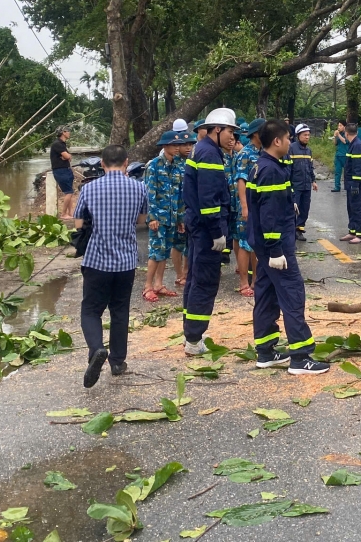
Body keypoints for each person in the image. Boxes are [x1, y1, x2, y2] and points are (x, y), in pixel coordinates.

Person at [247, 119, 330, 375]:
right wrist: (275, 250)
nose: (290, 143)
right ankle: (300, 357)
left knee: (266, 294)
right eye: (287, 139)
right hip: (276, 247)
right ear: (277, 141)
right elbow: (269, 215)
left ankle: (266, 351)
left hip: (264, 246)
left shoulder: (264, 166)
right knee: (292, 294)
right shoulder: (270, 170)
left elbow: (266, 206)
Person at [74, 143, 147, 387]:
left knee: (91, 310)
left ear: (102, 164)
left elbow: (78, 224)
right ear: (126, 162)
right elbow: (141, 220)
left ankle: (96, 349)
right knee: (120, 310)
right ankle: (117, 361)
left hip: (96, 260)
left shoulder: (89, 189)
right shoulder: (139, 188)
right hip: (125, 261)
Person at [182, 108, 239, 354]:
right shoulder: (209, 154)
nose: (233, 138)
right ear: (217, 130)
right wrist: (217, 231)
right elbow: (209, 198)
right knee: (204, 282)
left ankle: (190, 333)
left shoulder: (204, 149)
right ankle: (194, 339)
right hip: (206, 230)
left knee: (195, 279)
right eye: (230, 132)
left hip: (198, 227)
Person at [144, 130, 185, 302]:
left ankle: (159, 284)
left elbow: (179, 194)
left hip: (172, 217)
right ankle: (147, 286)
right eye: (174, 145)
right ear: (165, 146)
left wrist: (180, 219)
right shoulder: (154, 165)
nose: (177, 148)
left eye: (178, 145)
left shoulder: (177, 166)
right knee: (155, 252)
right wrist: (152, 217)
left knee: (165, 251)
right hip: (158, 218)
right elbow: (149, 193)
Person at [232, 119, 263, 297]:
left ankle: (256, 280)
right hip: (246, 206)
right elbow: (240, 181)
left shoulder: (263, 152)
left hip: (259, 205)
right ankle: (244, 282)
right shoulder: (245, 154)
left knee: (256, 243)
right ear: (256, 134)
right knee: (244, 243)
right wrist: (244, 206)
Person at [339, 122, 361, 243]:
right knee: (351, 207)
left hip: (356, 184)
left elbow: (358, 167)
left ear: (346, 133)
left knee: (358, 208)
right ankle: (353, 230)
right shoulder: (354, 144)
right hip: (351, 183)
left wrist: (355, 184)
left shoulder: (357, 145)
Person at [290, 123, 318, 240]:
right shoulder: (291, 148)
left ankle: (299, 229)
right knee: (293, 208)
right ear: (298, 135)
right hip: (295, 185)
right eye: (305, 135)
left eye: (308, 135)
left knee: (305, 208)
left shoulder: (308, 151)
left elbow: (310, 167)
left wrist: (313, 181)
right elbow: (288, 169)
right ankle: (291, 231)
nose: (307, 137)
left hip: (306, 185)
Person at [50, 127, 75, 217]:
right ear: (63, 133)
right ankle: (64, 214)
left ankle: (70, 212)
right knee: (68, 192)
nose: (69, 133)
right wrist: (67, 156)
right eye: (68, 131)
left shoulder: (63, 144)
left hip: (66, 169)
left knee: (70, 191)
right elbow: (67, 157)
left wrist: (67, 156)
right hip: (61, 171)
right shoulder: (57, 144)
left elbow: (68, 157)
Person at [332, 121, 348, 192]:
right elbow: (335, 143)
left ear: (344, 126)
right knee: (337, 172)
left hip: (345, 155)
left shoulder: (347, 133)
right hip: (338, 155)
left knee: (347, 172)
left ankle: (347, 186)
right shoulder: (339, 133)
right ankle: (337, 186)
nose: (339, 127)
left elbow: (345, 141)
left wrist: (338, 135)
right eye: (338, 126)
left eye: (340, 125)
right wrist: (335, 137)